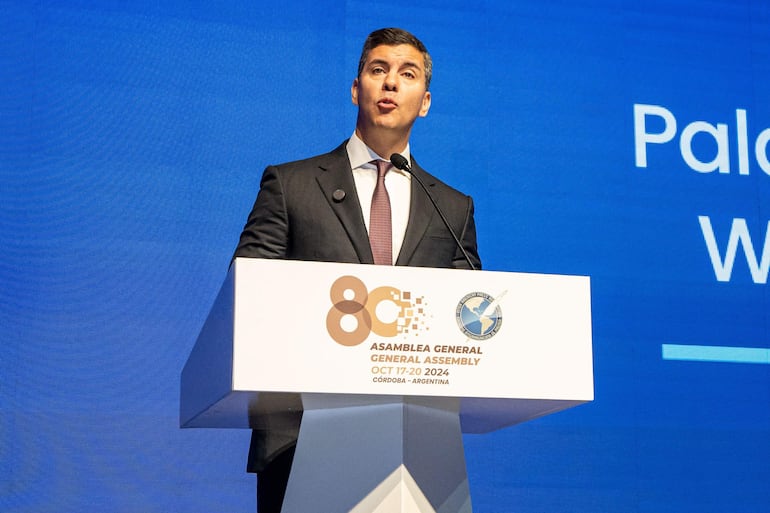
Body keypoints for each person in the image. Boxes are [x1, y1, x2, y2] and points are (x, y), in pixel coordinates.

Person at [233, 27, 481, 513]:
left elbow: (468, 316)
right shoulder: (291, 184)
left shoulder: (453, 207)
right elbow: (248, 293)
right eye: (378, 70)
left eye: (406, 74)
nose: (390, 83)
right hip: (302, 435)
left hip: (416, 441)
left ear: (425, 101)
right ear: (355, 89)